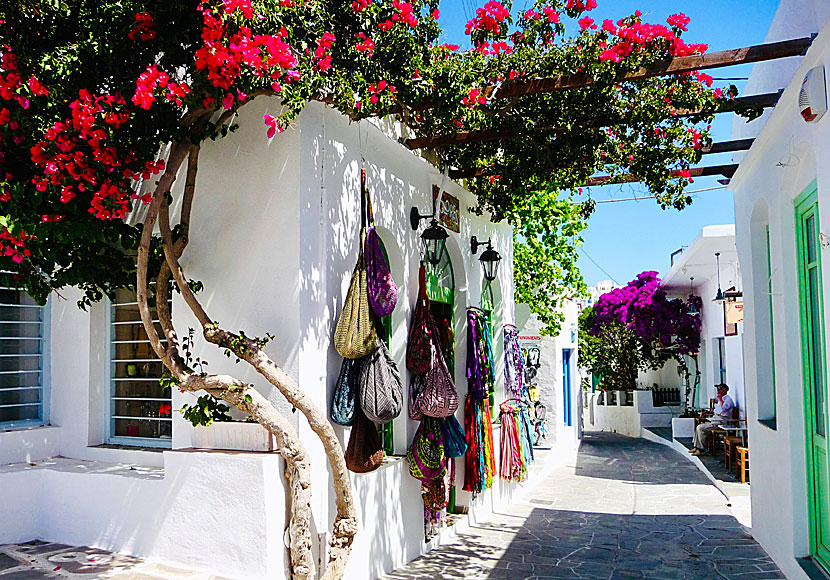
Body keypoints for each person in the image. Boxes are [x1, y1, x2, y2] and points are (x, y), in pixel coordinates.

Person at [690, 384, 735, 456]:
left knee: (700, 428)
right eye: (717, 389)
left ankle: (702, 449)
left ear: (725, 390)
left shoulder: (728, 400)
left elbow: (725, 408)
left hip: (721, 422)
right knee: (699, 426)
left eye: (720, 389)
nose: (718, 390)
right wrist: (707, 412)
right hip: (715, 419)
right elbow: (717, 410)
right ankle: (697, 447)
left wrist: (720, 399)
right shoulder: (722, 400)